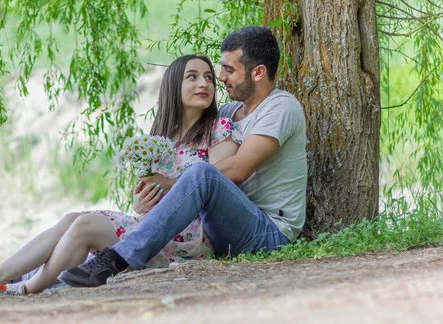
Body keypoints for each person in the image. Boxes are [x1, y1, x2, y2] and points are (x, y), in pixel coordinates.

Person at [0, 54, 244, 296]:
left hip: (190, 240)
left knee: (85, 225)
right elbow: (152, 200)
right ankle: (4, 274)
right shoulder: (160, 137)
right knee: (72, 219)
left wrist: (165, 185)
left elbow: (213, 185)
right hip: (150, 227)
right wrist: (141, 203)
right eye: (192, 76)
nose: (204, 83)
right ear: (172, 86)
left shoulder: (220, 129)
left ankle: (15, 285)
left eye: (208, 77)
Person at [58, 26, 307, 288]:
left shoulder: (281, 107)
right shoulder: (229, 112)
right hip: (221, 227)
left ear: (258, 73)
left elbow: (238, 168)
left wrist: (170, 183)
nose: (220, 77)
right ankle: (27, 278)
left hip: (268, 233)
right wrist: (148, 195)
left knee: (202, 173)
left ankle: (119, 258)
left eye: (229, 70)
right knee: (197, 174)